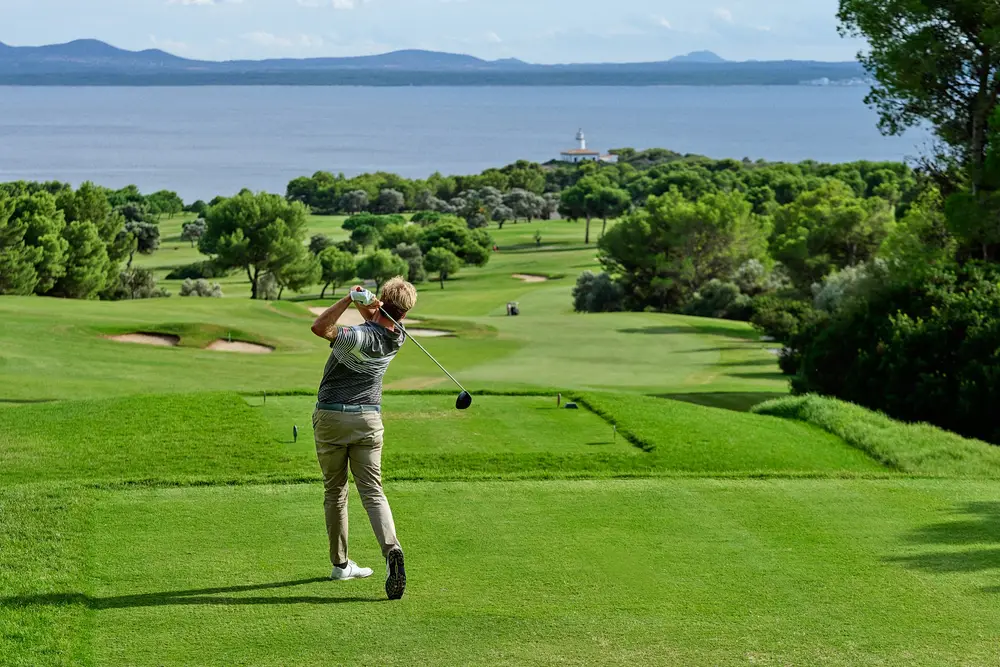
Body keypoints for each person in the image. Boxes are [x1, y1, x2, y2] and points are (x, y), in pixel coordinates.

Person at [309, 277, 417, 600]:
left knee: (335, 490)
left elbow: (320, 328)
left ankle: (341, 564)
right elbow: (378, 320)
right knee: (373, 490)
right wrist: (370, 303)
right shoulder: (397, 338)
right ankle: (391, 550)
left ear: (383, 300)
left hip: (331, 417)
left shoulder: (356, 337)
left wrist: (347, 299)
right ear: (405, 313)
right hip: (369, 421)